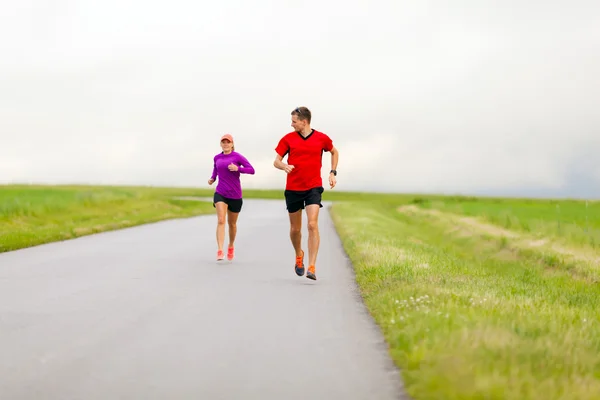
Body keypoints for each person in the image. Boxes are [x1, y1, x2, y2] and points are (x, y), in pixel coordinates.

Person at [273, 106, 339, 280]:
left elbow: (334, 151)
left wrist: (332, 172)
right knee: (295, 229)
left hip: (313, 188)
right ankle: (299, 254)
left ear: (304, 121)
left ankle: (312, 266)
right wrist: (284, 166)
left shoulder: (321, 138)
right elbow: (276, 161)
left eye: (294, 121)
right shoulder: (288, 139)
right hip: (293, 188)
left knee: (312, 224)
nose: (291, 124)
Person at [208, 133, 255, 261]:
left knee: (232, 224)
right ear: (220, 144)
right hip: (220, 192)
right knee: (221, 220)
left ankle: (231, 245)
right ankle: (219, 250)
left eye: (228, 142)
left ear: (232, 144)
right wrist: (213, 178)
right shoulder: (217, 157)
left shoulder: (237, 156)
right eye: (223, 142)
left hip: (235, 194)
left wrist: (238, 168)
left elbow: (251, 170)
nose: (225, 144)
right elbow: (216, 169)